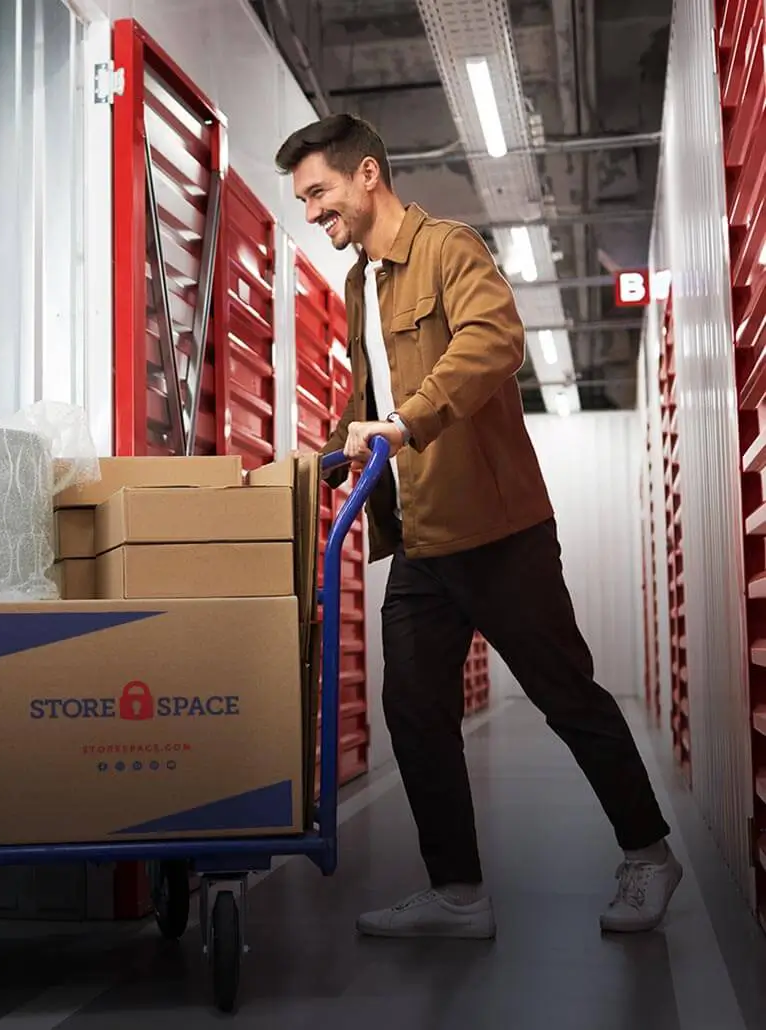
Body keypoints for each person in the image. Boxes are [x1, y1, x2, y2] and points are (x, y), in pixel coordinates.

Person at [274, 112, 682, 940]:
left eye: (318, 193)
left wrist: (410, 420)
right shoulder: (362, 285)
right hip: (422, 536)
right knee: (414, 708)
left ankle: (649, 855)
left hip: (498, 528)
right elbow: (368, 399)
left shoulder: (450, 249)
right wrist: (330, 450)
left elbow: (496, 342)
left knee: (566, 693)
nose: (314, 213)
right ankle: (458, 892)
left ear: (367, 175)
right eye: (303, 200)